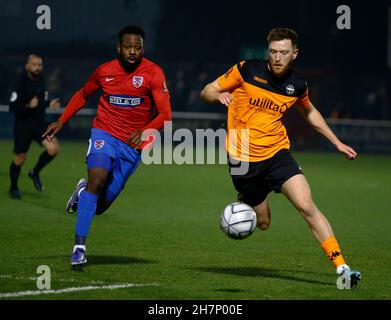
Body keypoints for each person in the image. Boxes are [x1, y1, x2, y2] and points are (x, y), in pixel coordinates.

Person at [200, 27, 361, 288]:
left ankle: (342, 267)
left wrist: (336, 142)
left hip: (277, 154)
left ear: (294, 54)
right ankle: (248, 200)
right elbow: (206, 90)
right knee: (262, 223)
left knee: (306, 206)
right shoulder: (246, 70)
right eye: (273, 52)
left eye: (283, 53)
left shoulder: (297, 85)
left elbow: (309, 113)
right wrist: (217, 94)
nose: (277, 57)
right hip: (242, 161)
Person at [42, 25, 172, 267]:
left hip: (132, 145)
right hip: (105, 133)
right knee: (97, 177)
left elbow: (165, 115)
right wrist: (61, 120)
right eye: (128, 47)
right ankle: (79, 248)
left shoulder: (154, 73)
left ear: (143, 48)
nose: (133, 51)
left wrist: (144, 131)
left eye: (137, 47)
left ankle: (82, 192)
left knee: (100, 206)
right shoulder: (104, 71)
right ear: (119, 48)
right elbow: (83, 94)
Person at [9, 54, 61, 199]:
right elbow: (12, 106)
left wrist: (50, 103)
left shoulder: (41, 81)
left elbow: (42, 99)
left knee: (53, 149)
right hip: (23, 126)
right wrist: (27, 106)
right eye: (34, 64)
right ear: (27, 66)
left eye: (39, 65)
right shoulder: (20, 84)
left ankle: (35, 172)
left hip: (39, 125)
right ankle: (13, 186)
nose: (37, 67)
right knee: (20, 158)